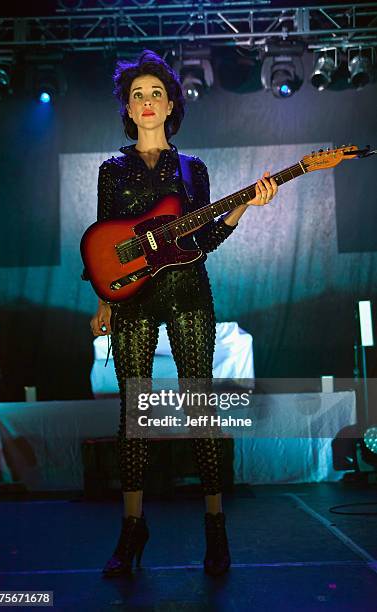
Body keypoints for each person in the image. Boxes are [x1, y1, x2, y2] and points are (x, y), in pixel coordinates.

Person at [89, 49, 278, 577]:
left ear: (172, 103)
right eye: (137, 95)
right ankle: (132, 529)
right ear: (127, 109)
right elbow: (104, 241)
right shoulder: (112, 169)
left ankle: (215, 530)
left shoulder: (195, 170)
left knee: (201, 409)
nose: (147, 103)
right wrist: (103, 300)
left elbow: (208, 236)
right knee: (135, 414)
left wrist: (245, 205)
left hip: (189, 291)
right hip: (132, 299)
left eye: (156, 94)